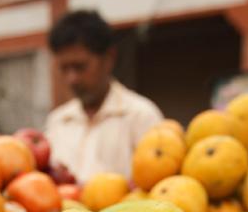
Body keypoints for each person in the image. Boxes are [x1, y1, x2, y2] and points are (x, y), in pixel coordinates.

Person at [45, 10, 163, 184]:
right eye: (64, 68)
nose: (72, 79)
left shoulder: (141, 116)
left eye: (80, 67)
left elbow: (159, 185)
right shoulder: (57, 121)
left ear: (109, 58)